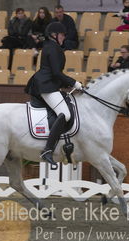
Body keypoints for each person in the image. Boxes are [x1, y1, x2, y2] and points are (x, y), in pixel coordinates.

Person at [25, 22, 83, 165]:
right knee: (66, 114)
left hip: (48, 83)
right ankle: (48, 149)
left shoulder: (52, 47)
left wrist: (65, 85)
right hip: (46, 85)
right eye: (62, 35)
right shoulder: (52, 48)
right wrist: (74, 83)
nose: (63, 37)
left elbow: (55, 73)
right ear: (54, 35)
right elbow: (56, 73)